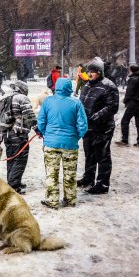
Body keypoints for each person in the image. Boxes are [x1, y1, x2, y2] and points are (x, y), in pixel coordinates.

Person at [37, 78, 88, 209]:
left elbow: (41, 122)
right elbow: (83, 126)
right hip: (70, 144)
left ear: (56, 87)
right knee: (70, 173)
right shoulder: (76, 103)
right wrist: (75, 137)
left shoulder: (48, 101)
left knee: (51, 173)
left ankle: (52, 200)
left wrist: (45, 134)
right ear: (70, 88)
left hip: (51, 144)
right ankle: (70, 199)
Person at [78, 57, 119, 194]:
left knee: (102, 156)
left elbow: (112, 107)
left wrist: (97, 116)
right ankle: (88, 178)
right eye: (88, 71)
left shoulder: (109, 86)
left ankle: (102, 184)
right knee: (89, 154)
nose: (89, 74)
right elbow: (81, 104)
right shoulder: (87, 85)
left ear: (100, 72)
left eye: (93, 71)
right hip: (88, 127)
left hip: (103, 127)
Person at [0, 80, 38, 194]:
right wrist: (37, 128)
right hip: (19, 135)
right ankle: (14, 185)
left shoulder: (5, 99)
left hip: (6, 135)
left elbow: (1, 119)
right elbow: (29, 115)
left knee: (11, 158)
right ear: (23, 89)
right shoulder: (22, 99)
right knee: (20, 160)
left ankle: (13, 181)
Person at [115, 65, 139, 147]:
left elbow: (129, 92)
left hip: (133, 103)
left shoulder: (133, 79)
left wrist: (126, 100)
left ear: (131, 70)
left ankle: (124, 140)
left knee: (124, 121)